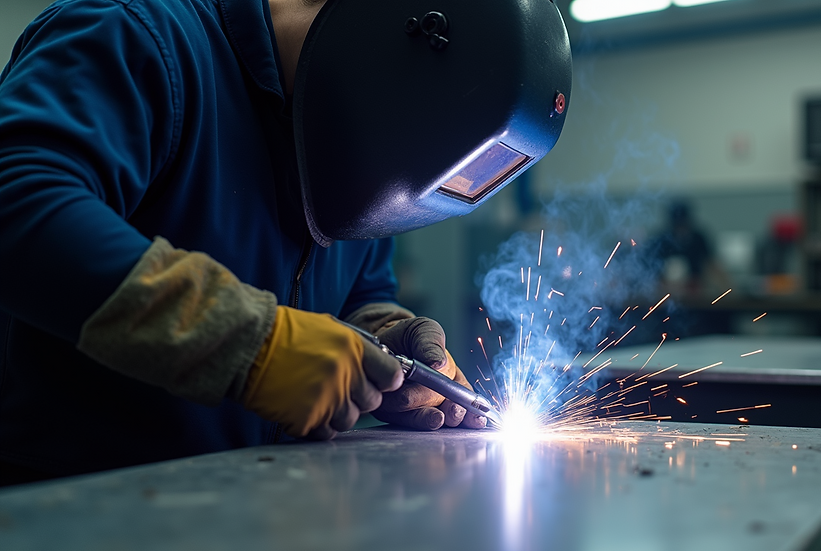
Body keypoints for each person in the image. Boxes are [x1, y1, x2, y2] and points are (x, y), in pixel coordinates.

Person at [0, 0, 571, 485]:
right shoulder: (136, 37)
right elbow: (20, 202)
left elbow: (358, 290)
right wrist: (252, 345)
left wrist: (383, 342)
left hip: (239, 510)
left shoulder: (356, 162)